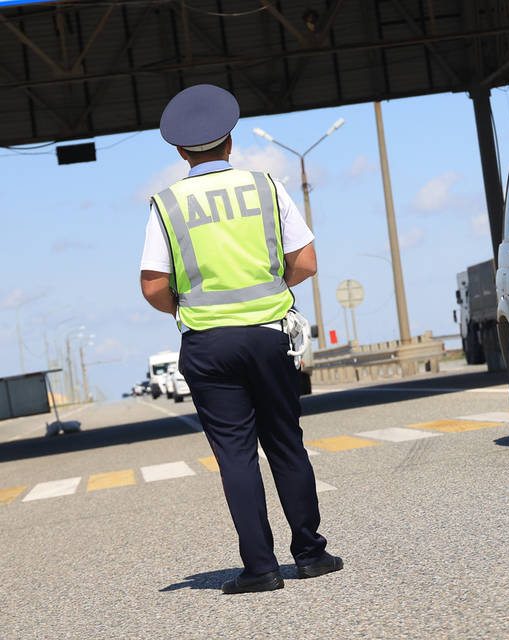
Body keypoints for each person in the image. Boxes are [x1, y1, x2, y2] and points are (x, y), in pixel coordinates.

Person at [140, 84, 342, 595]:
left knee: (236, 455)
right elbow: (307, 262)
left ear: (181, 152)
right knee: (286, 444)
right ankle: (311, 554)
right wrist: (269, 289)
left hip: (209, 346)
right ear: (230, 142)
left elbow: (153, 285)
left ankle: (261, 568)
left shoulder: (167, 204)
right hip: (271, 335)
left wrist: (186, 308)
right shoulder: (266, 187)